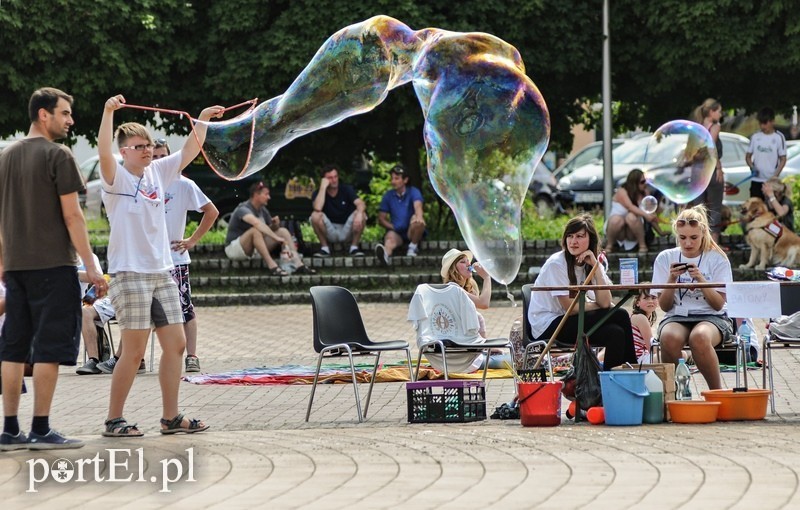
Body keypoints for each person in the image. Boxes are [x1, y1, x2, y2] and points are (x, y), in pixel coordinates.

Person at [98, 94, 220, 437]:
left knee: (176, 345)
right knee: (134, 352)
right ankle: (114, 419)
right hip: (130, 273)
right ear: (125, 152)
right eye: (139, 146)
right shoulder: (115, 178)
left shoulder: (157, 172)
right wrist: (108, 112)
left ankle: (170, 418)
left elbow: (189, 152)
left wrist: (202, 120)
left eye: (149, 145)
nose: (147, 150)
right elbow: (104, 151)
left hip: (162, 272)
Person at [0, 87, 107, 450]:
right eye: (64, 113)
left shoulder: (5, 156)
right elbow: (73, 215)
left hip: (16, 269)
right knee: (48, 348)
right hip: (54, 266)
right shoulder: (58, 155)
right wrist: (91, 267)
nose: (70, 120)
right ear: (43, 115)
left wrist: (3, 263)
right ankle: (41, 429)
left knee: (12, 348)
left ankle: (10, 429)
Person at [528, 214, 638, 370]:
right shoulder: (556, 264)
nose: (573, 241)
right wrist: (596, 305)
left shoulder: (588, 262)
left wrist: (595, 267)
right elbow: (570, 308)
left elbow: (605, 302)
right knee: (620, 314)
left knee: (616, 333)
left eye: (580, 236)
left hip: (570, 321)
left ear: (590, 240)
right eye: (570, 236)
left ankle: (611, 382)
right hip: (548, 324)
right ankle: (633, 370)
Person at [652, 205, 733, 390]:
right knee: (669, 337)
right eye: (682, 238)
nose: (688, 243)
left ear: (703, 233)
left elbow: (718, 304)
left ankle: (716, 392)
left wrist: (701, 280)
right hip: (677, 316)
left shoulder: (717, 258)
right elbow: (664, 307)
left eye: (693, 237)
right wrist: (672, 280)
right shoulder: (665, 258)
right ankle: (676, 394)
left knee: (700, 337)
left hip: (713, 317)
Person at [159, 139, 220, 373]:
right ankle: (132, 358)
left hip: (175, 260)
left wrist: (192, 240)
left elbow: (211, 211)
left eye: (163, 156)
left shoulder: (184, 184)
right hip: (151, 261)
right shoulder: (144, 184)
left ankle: (192, 356)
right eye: (154, 157)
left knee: (185, 309)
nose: (158, 161)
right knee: (143, 312)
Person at [225, 181, 316, 276]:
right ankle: (273, 266)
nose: (269, 197)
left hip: (254, 250)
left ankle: (298, 264)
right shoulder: (243, 208)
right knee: (255, 231)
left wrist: (275, 225)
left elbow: (268, 229)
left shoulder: (263, 210)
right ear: (256, 195)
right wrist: (276, 238)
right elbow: (257, 224)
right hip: (234, 249)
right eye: (266, 194)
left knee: (283, 231)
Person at [310, 164, 367, 257]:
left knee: (361, 213)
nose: (334, 180)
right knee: (315, 215)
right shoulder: (318, 192)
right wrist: (323, 188)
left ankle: (354, 248)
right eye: (330, 178)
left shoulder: (346, 189)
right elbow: (317, 208)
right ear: (324, 180)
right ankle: (324, 248)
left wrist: (360, 213)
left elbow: (360, 203)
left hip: (347, 228)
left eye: (335, 176)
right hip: (329, 229)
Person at [374, 164, 425, 265]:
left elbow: (418, 207)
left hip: (411, 230)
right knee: (389, 240)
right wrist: (392, 227)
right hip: (396, 232)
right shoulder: (388, 196)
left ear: (405, 180)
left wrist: (419, 218)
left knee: (418, 221)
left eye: (396, 178)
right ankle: (385, 255)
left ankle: (413, 247)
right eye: (392, 178)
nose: (393, 181)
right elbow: (381, 219)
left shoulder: (414, 192)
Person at [690, 98, 725, 241]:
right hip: (710, 170)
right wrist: (718, 168)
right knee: (715, 207)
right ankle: (714, 243)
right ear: (711, 112)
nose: (721, 114)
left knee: (698, 207)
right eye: (719, 111)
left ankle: (698, 241)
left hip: (696, 170)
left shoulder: (696, 126)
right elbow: (711, 147)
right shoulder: (715, 126)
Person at [604, 169, 659, 254]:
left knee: (631, 217)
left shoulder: (645, 193)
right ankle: (609, 245)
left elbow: (650, 214)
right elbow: (630, 207)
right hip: (617, 231)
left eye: (646, 181)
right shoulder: (622, 191)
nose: (645, 184)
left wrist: (660, 231)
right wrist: (646, 215)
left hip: (633, 231)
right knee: (617, 219)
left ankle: (642, 245)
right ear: (634, 182)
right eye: (642, 181)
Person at [745, 107, 787, 200]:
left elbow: (783, 159)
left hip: (771, 181)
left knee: (770, 209)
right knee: (755, 207)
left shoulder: (779, 137)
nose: (763, 126)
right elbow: (748, 157)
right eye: (761, 123)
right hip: (756, 180)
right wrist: (752, 167)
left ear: (772, 121)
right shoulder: (755, 137)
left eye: (765, 123)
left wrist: (775, 176)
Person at [630, 286, 658, 364]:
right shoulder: (641, 318)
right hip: (638, 360)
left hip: (640, 357)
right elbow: (652, 349)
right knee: (681, 355)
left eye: (653, 298)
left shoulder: (637, 316)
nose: (650, 301)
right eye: (646, 298)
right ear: (637, 302)